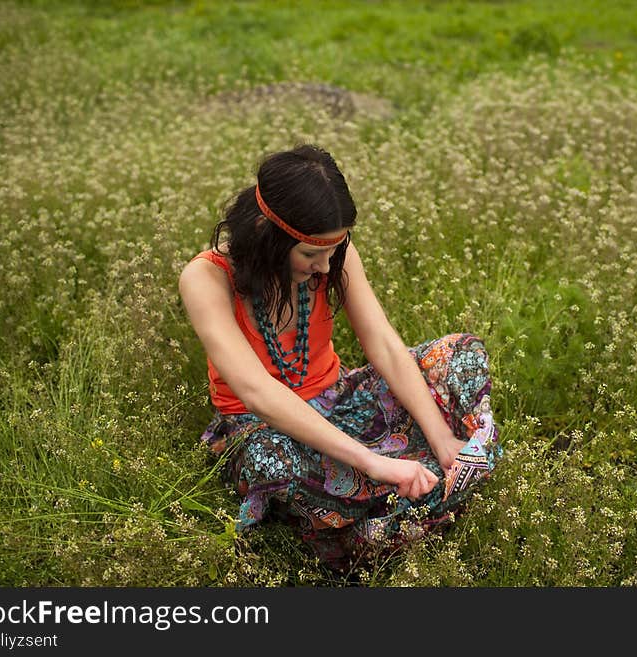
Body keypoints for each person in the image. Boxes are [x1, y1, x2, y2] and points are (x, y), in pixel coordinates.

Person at [178, 144, 502, 570]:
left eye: (333, 251)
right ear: (265, 233)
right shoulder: (206, 277)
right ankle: (418, 496)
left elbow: (383, 344)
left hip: (340, 399)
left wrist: (439, 435)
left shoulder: (335, 257)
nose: (325, 267)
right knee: (270, 460)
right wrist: (373, 461)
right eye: (310, 254)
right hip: (262, 427)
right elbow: (257, 393)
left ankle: (403, 494)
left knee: (461, 354)